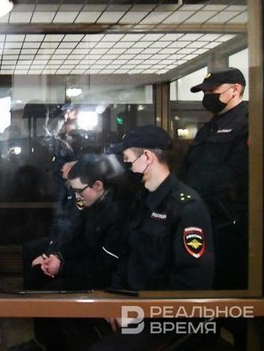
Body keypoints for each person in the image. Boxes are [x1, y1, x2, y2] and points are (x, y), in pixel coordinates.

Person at [91, 125, 214, 350]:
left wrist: (139, 313)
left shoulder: (186, 207)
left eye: (128, 161)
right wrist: (116, 300)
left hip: (164, 318)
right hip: (134, 303)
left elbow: (192, 283)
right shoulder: (142, 200)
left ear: (147, 157)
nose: (126, 167)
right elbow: (128, 257)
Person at [11, 155, 131, 351]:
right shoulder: (93, 204)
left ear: (98, 185)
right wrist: (58, 256)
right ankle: (44, 342)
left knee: (53, 292)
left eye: (78, 191)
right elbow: (79, 239)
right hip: (90, 266)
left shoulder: (117, 213)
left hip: (107, 277)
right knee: (38, 273)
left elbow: (103, 266)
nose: (76, 197)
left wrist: (63, 267)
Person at [178, 67, 248, 290]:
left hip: (230, 221)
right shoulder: (209, 126)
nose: (207, 96)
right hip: (203, 216)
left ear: (235, 89)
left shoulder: (249, 122)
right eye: (205, 92)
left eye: (212, 91)